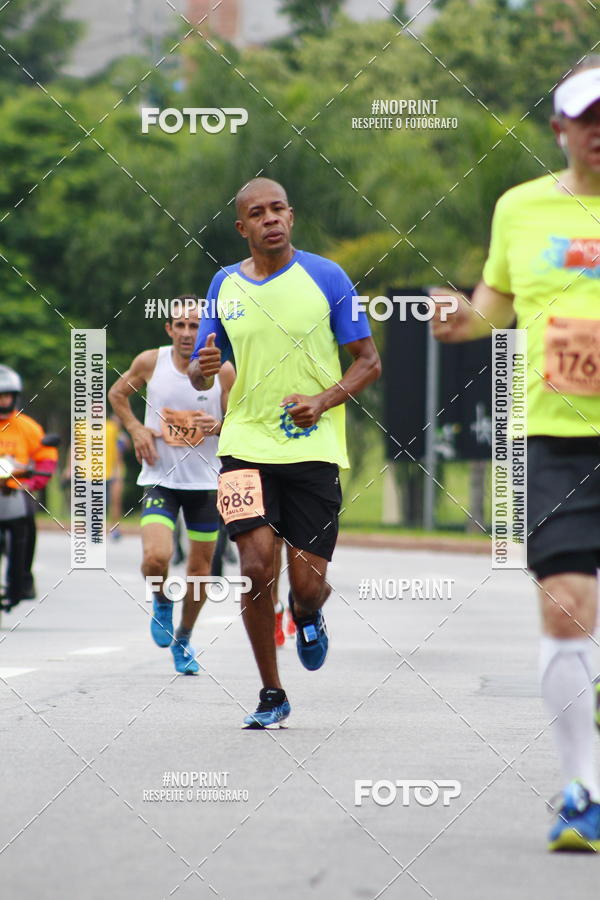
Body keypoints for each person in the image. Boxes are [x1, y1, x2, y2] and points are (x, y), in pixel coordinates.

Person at [432, 60, 600, 851]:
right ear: (561, 126)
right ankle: (585, 791)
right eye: (588, 116)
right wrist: (456, 320)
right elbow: (490, 309)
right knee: (564, 601)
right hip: (557, 440)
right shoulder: (521, 209)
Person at [188, 177, 381, 728]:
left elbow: (368, 361)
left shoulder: (328, 277)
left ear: (291, 218)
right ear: (241, 227)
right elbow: (207, 361)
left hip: (313, 447)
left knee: (306, 585)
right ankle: (272, 692)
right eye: (258, 212)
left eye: (278, 210)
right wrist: (203, 368)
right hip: (244, 443)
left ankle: (307, 613)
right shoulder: (223, 284)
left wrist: (322, 401)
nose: (270, 219)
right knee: (253, 566)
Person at [109, 297, 235, 674]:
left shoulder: (224, 371)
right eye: (179, 325)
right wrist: (135, 429)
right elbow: (118, 394)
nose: (186, 333)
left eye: (194, 326)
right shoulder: (152, 361)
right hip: (160, 480)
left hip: (205, 486)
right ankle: (161, 598)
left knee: (200, 571)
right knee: (156, 558)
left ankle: (184, 637)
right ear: (168, 329)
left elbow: (244, 420)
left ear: (207, 331)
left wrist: (219, 426)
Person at [0, 365, 57, 609]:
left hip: (17, 488)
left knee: (27, 527)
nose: (3, 400)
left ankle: (23, 578)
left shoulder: (27, 426)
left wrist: (36, 481)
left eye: (7, 395)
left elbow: (46, 453)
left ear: (15, 396)